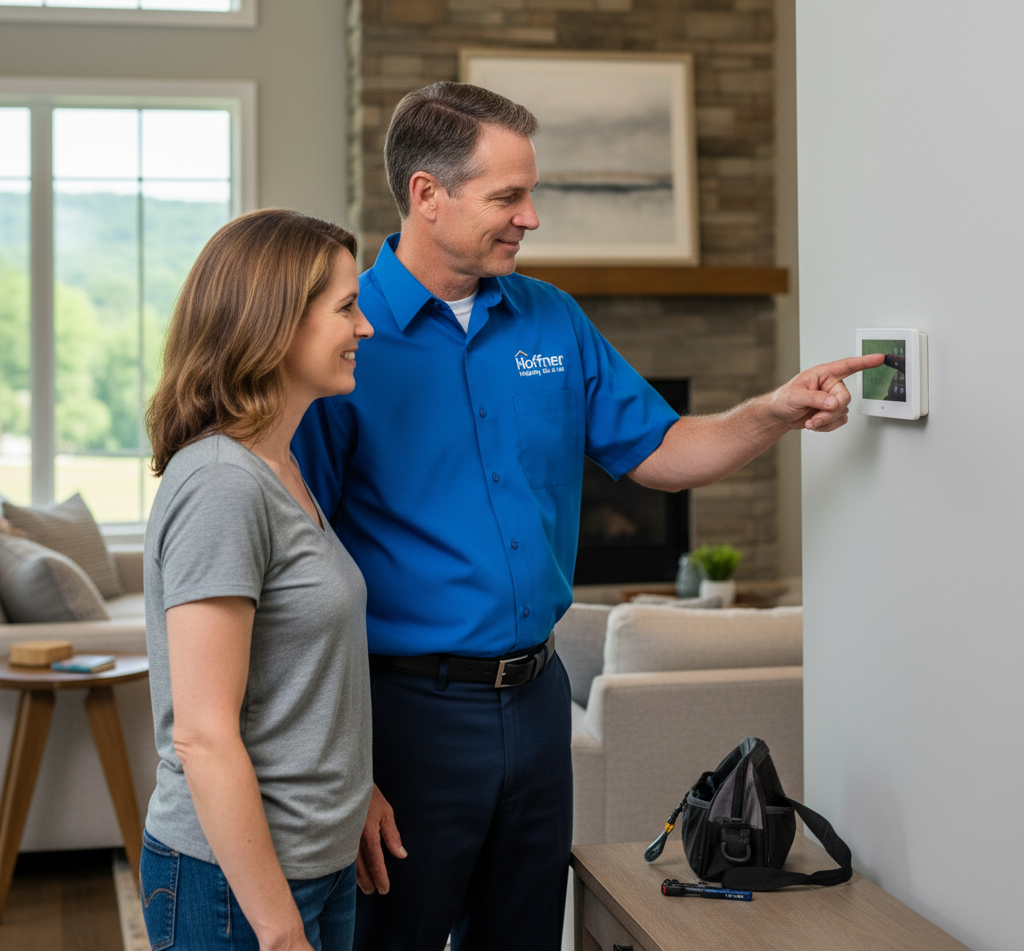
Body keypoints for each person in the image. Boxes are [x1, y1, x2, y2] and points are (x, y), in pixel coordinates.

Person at [291, 83, 883, 951]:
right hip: (405, 716)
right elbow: (302, 570)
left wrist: (775, 410)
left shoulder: (551, 318)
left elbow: (663, 451)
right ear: (427, 194)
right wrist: (349, 764)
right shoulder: (346, 339)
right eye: (507, 197)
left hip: (537, 703)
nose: (530, 218)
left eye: (532, 194)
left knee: (527, 937)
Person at [141, 209, 378, 951]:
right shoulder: (221, 484)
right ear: (276, 325)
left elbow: (295, 676)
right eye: (346, 308)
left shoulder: (281, 467)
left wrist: (355, 794)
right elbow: (204, 736)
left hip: (315, 862)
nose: (365, 328)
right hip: (236, 886)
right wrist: (277, 932)